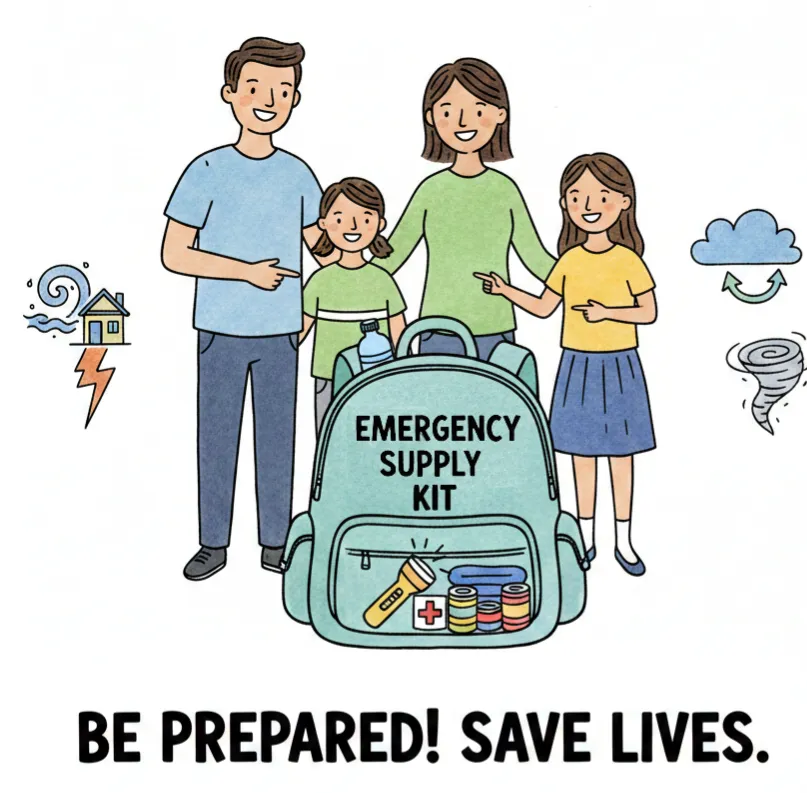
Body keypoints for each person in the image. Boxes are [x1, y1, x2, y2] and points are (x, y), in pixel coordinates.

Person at [161, 37, 334, 581]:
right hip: (219, 329)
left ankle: (275, 543)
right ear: (231, 94)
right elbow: (173, 253)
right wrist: (246, 271)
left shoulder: (300, 174)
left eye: (283, 91)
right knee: (216, 438)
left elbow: (322, 246)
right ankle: (213, 542)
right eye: (257, 88)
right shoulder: (206, 170)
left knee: (278, 438)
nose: (269, 99)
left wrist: (362, 232)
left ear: (295, 101)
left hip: (284, 331)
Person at [475, 153, 657, 576]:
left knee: (621, 456)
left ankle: (624, 540)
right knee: (579, 455)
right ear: (565, 206)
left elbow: (648, 311)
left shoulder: (628, 260)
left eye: (600, 196)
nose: (588, 205)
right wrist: (505, 290)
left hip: (619, 366)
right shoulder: (570, 260)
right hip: (576, 366)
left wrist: (609, 312)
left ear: (624, 202)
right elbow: (543, 307)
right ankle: (586, 536)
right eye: (576, 197)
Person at [369, 58, 554, 360]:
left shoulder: (504, 190)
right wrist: (347, 276)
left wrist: (586, 276)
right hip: (438, 330)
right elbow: (393, 256)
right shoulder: (430, 190)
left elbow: (536, 259)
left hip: (495, 328)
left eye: (478, 111)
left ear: (500, 115)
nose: (463, 122)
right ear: (431, 117)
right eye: (448, 112)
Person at [300, 178, 407, 433]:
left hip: (376, 376)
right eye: (340, 218)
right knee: (330, 437)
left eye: (366, 218)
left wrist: (404, 374)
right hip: (328, 376)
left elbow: (399, 331)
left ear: (380, 225)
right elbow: (300, 331)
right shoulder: (320, 281)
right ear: (323, 224)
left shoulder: (382, 280)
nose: (353, 226)